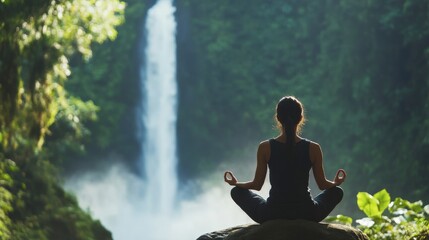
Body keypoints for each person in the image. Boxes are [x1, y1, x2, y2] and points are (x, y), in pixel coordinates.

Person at [224, 96, 346, 224]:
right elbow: (322, 185)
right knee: (337, 192)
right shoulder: (313, 148)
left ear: (278, 118)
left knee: (236, 192)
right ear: (301, 118)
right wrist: (336, 183)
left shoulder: (265, 147)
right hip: (307, 213)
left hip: (272, 213)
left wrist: (236, 184)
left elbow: (257, 185)